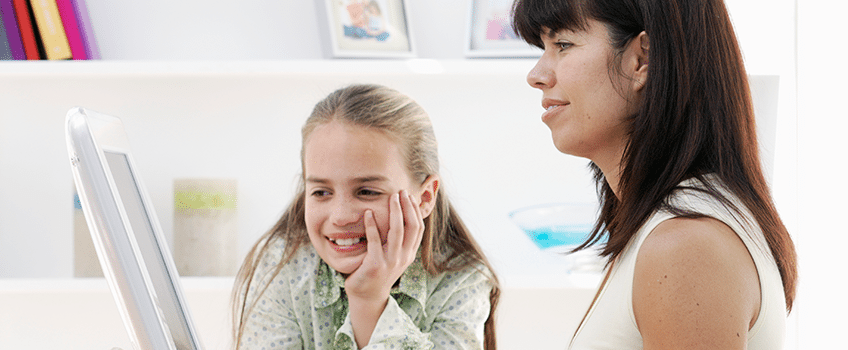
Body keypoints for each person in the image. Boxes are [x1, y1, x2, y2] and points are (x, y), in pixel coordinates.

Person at [511, 0, 797, 348]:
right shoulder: (667, 229)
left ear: (641, 60)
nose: (537, 75)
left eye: (562, 45)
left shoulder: (686, 245)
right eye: (544, 48)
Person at [231, 84, 500, 350]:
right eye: (321, 192)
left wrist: (368, 301)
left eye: (367, 191)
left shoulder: (461, 282)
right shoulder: (282, 265)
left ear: (425, 197)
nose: (340, 216)